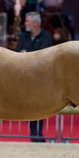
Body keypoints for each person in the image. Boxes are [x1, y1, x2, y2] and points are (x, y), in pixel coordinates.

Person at [14, 11, 53, 142]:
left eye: (27, 21)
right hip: (24, 78)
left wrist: (26, 54)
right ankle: (34, 134)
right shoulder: (23, 36)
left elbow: (44, 56)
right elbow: (16, 53)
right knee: (27, 106)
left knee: (39, 106)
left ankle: (37, 134)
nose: (25, 24)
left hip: (40, 79)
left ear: (36, 23)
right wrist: (29, 55)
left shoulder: (47, 36)